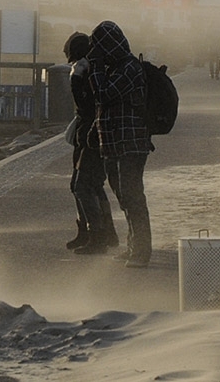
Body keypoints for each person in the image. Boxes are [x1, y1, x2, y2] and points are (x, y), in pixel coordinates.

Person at [86, 21, 154, 268]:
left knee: (133, 196)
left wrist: (94, 66)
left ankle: (142, 251)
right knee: (124, 197)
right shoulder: (114, 67)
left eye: (99, 47)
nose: (96, 52)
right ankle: (133, 245)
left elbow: (103, 94)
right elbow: (104, 105)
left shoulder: (128, 67)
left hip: (131, 143)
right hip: (113, 143)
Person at [64, 32, 119, 254]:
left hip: (91, 136)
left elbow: (86, 108)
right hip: (94, 134)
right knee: (92, 184)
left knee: (81, 186)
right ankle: (104, 233)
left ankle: (96, 235)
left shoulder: (82, 72)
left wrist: (76, 76)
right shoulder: (97, 69)